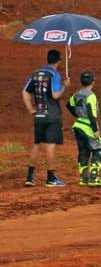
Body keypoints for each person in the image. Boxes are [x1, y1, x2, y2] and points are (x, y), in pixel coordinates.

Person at [21, 49, 70, 187]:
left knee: (37, 144)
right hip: (52, 116)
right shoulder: (54, 74)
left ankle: (30, 177)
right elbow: (55, 95)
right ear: (59, 61)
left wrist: (31, 109)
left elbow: (25, 92)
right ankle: (51, 178)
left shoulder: (36, 73)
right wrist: (64, 86)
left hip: (39, 115)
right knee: (50, 144)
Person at [66, 71, 101, 187]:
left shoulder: (77, 94)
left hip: (78, 126)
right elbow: (91, 114)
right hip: (88, 126)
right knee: (98, 150)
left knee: (83, 151)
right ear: (93, 82)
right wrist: (95, 130)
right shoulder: (91, 95)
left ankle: (84, 178)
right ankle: (94, 177)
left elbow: (68, 105)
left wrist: (78, 115)